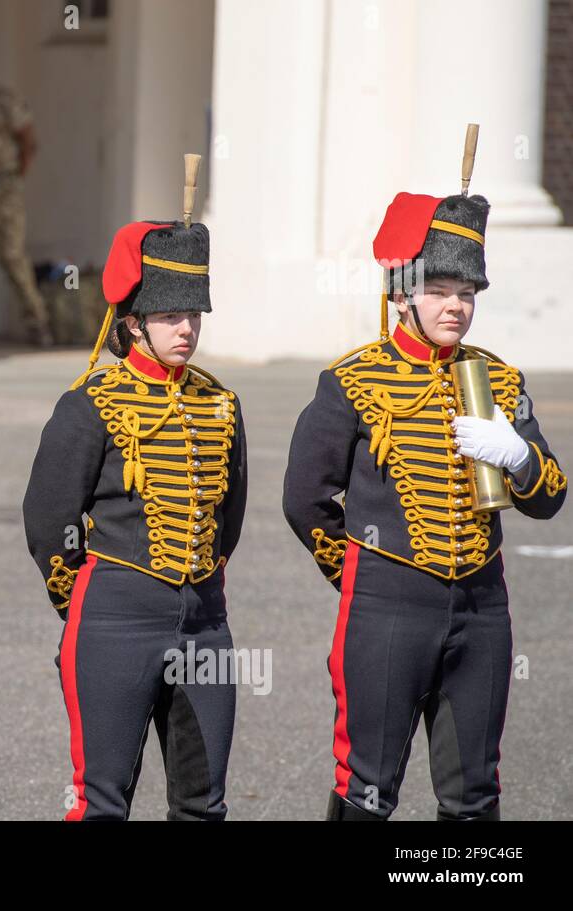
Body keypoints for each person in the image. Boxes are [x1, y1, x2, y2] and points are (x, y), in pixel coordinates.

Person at [283, 177, 567, 821]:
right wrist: (361, 574)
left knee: (474, 793)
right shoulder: (350, 381)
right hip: (385, 606)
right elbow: (305, 499)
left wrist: (519, 457)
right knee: (368, 787)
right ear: (404, 294)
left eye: (466, 294)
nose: (455, 308)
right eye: (439, 291)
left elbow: (550, 497)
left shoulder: (498, 378)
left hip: (481, 606)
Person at [22, 204, 247, 820]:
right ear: (133, 323)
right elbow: (48, 519)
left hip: (203, 621)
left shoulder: (221, 404)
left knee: (203, 804)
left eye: (193, 316)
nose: (186, 331)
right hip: (112, 618)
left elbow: (230, 517)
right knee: (102, 802)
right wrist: (84, 604)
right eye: (170, 316)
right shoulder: (89, 404)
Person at [0, 82, 53, 347]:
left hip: (3, 186)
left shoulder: (3, 97)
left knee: (13, 256)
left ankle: (39, 322)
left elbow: (28, 140)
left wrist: (14, 178)